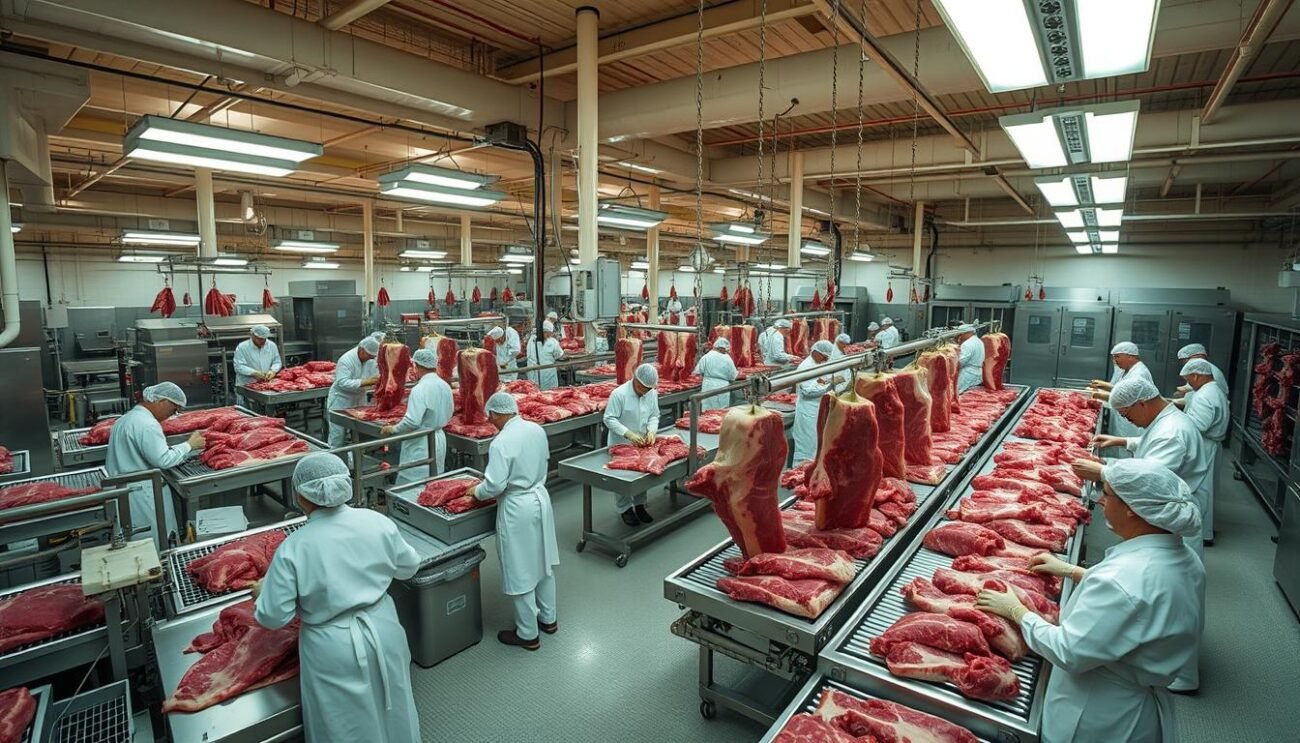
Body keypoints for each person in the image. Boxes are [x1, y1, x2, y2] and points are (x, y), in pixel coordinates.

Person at [975, 459, 1204, 743]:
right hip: (1133, 700)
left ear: (1132, 510)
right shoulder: (1186, 559)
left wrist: (1017, 612)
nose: (1100, 500)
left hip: (1097, 712)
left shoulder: (1122, 581)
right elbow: (1141, 603)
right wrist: (1073, 571)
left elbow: (1068, 651)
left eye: (1106, 493)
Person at [252, 453, 421, 742]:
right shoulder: (377, 522)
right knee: (394, 706)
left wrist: (262, 593)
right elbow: (409, 567)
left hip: (332, 647)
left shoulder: (294, 547)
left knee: (343, 725)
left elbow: (273, 616)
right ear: (345, 484)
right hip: (384, 630)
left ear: (300, 496)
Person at [1071, 375, 1208, 693]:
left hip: (1168, 521)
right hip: (1166, 523)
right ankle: (1172, 669)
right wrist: (1122, 443)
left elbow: (1148, 481)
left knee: (1164, 609)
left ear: (1142, 403)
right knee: (1165, 607)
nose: (1126, 419)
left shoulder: (1173, 431)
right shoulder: (1165, 421)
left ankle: (1180, 676)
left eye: (1127, 413)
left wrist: (1104, 471)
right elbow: (1148, 451)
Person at [465, 393, 559, 651]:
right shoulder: (536, 430)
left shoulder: (501, 442)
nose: (490, 421)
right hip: (540, 498)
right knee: (543, 561)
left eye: (491, 416)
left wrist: (476, 492)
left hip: (518, 507)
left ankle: (528, 634)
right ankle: (548, 619)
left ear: (497, 413)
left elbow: (494, 485)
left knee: (520, 568)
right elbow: (544, 460)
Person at [105, 382, 205, 549]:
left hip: (126, 491)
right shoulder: (148, 424)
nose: (172, 415)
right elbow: (163, 460)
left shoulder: (127, 419)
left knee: (134, 543)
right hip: (143, 495)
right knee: (154, 545)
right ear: (162, 402)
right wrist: (189, 445)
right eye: (174, 409)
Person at [380, 349, 453, 486]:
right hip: (438, 439)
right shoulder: (445, 386)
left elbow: (412, 421)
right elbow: (450, 413)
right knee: (434, 481)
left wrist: (393, 429)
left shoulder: (420, 389)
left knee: (411, 484)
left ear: (417, 366)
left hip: (421, 442)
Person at [602, 363, 661, 527]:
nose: (645, 392)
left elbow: (654, 415)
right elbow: (609, 418)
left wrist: (652, 431)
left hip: (642, 441)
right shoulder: (619, 394)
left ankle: (640, 505)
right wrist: (628, 433)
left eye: (648, 389)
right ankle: (625, 509)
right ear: (635, 380)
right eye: (643, 388)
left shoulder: (651, 393)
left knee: (641, 474)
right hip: (621, 442)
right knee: (623, 477)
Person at [1180, 358, 1229, 545]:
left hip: (1204, 446)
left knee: (1200, 490)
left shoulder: (1204, 396)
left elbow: (1198, 425)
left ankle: (1201, 534)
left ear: (1196, 376)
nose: (1188, 384)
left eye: (1188, 380)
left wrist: (1177, 419)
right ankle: (1205, 531)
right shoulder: (1215, 390)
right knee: (1207, 488)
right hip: (1211, 445)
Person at [1090, 341, 1154, 439]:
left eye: (1117, 357)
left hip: (1131, 424)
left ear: (1130, 356)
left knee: (1125, 444)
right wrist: (1102, 386)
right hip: (1125, 419)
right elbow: (1122, 389)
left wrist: (1098, 395)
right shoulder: (1129, 370)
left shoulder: (1138, 374)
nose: (1115, 361)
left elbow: (1124, 398)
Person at [326, 337, 380, 451]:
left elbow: (376, 375)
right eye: (369, 355)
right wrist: (366, 381)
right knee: (338, 436)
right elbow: (342, 382)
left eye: (373, 356)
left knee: (359, 434)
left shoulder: (370, 359)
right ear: (361, 350)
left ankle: (356, 459)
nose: (371, 358)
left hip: (359, 399)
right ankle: (334, 457)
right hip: (341, 400)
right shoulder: (346, 360)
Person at [792, 340, 837, 464]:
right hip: (807, 411)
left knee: (815, 446)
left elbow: (819, 381)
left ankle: (810, 471)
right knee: (806, 447)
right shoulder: (806, 366)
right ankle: (799, 472)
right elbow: (808, 391)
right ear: (816, 352)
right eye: (824, 356)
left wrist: (829, 381)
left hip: (816, 409)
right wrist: (830, 385)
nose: (825, 359)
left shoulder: (816, 364)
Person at [232, 325, 282, 391]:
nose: (262, 341)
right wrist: (254, 373)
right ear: (252, 335)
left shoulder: (272, 345)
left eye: (264, 339)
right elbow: (238, 366)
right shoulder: (242, 347)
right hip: (246, 384)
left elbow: (277, 361)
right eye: (259, 339)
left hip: (265, 384)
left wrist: (273, 371)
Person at [693, 337, 738, 410]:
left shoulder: (707, 356)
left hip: (708, 385)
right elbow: (733, 376)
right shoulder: (727, 359)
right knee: (720, 411)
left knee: (707, 410)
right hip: (722, 386)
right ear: (723, 348)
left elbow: (698, 371)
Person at [526, 321, 565, 390]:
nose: (550, 335)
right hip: (546, 372)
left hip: (534, 372)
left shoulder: (531, 339)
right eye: (548, 334)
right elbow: (559, 355)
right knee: (549, 393)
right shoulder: (552, 342)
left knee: (537, 392)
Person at [955, 324, 986, 393]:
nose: (960, 336)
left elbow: (960, 362)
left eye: (961, 334)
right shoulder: (979, 341)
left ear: (967, 333)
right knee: (970, 393)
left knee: (957, 393)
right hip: (978, 373)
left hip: (968, 375)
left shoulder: (967, 344)